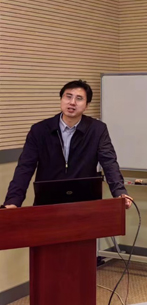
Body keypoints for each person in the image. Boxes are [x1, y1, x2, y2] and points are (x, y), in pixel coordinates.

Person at [1, 80, 132, 209]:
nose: (72, 102)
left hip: (86, 202)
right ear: (61, 99)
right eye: (68, 96)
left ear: (86, 105)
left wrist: (119, 192)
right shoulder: (40, 130)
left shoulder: (97, 129)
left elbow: (109, 162)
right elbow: (25, 167)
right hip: (48, 202)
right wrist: (13, 201)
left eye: (79, 98)